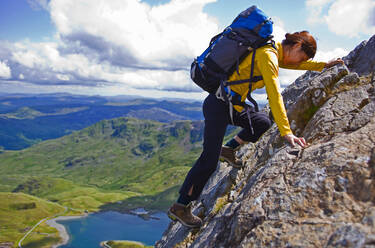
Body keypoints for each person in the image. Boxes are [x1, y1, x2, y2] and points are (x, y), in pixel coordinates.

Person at [168, 31, 344, 228]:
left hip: (233, 105)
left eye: (303, 60)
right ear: (296, 46)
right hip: (218, 106)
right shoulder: (268, 56)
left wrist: (322, 66)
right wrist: (287, 132)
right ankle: (180, 206)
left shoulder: (273, 53)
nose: (299, 61)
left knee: (262, 122)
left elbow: (295, 64)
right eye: (302, 56)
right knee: (208, 160)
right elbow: (275, 94)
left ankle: (228, 149)